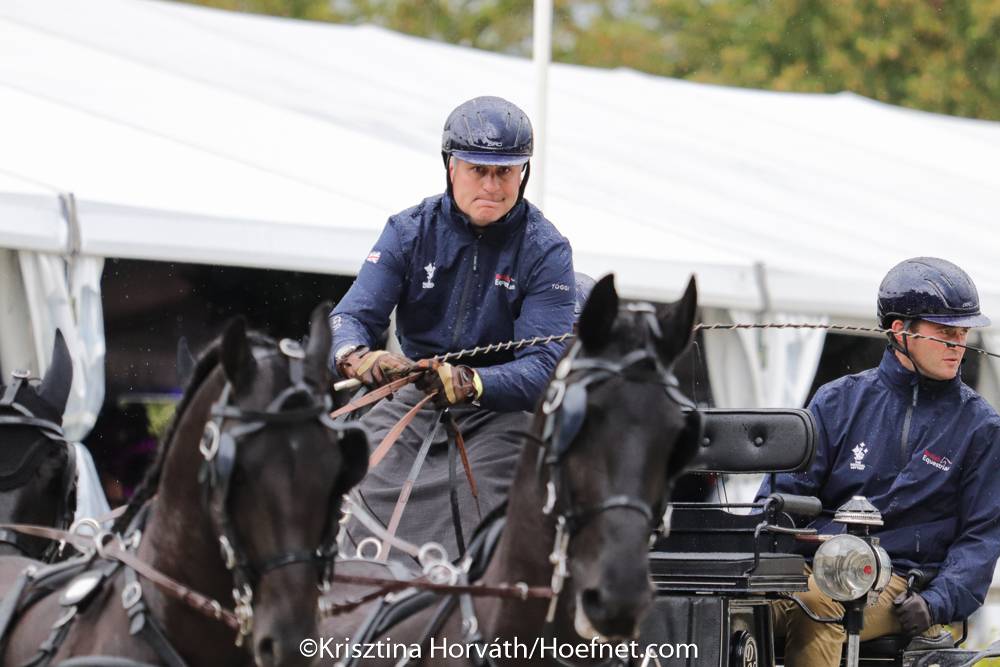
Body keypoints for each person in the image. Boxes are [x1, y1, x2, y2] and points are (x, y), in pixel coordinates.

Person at [330, 96, 576, 561]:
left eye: (505, 172)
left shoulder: (547, 249)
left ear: (523, 173)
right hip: (413, 398)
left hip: (500, 414)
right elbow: (350, 318)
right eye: (477, 170)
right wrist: (357, 356)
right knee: (344, 481)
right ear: (450, 166)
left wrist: (472, 382)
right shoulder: (407, 231)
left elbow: (545, 367)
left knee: (489, 517)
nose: (492, 185)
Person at [760, 257, 1000, 667]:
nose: (958, 345)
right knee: (727, 606)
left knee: (819, 606)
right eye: (945, 332)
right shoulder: (837, 400)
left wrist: (936, 601)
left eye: (963, 332)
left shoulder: (981, 426)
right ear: (900, 331)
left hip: (901, 583)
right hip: (811, 569)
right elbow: (783, 498)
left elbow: (981, 538)